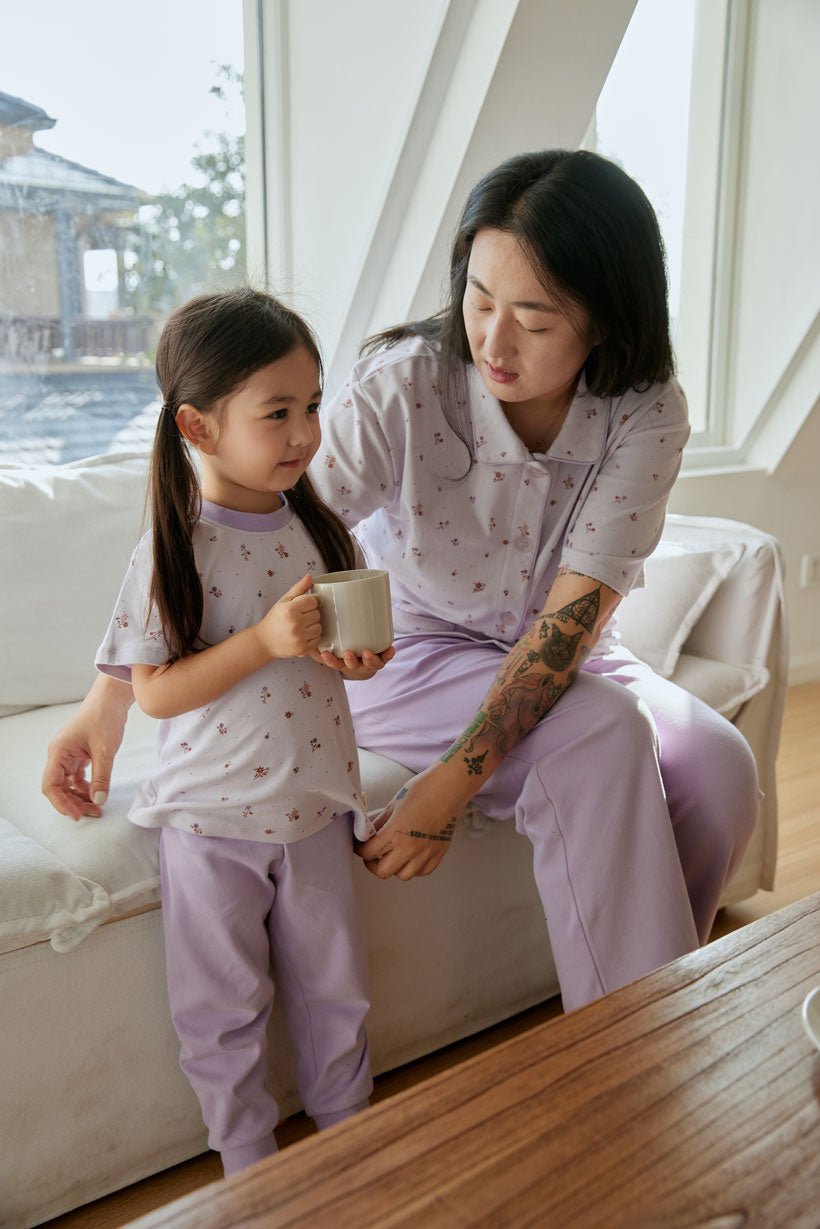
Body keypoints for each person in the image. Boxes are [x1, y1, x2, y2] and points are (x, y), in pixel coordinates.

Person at [43, 150, 758, 1017]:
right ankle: (630, 1061)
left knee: (721, 766)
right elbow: (231, 526)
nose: (492, 340)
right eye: (480, 299)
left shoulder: (647, 409)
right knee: (603, 734)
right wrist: (108, 698)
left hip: (566, 654)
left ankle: (653, 1000)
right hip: (409, 657)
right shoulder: (408, 384)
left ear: (606, 319)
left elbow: (569, 628)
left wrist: (445, 791)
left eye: (533, 320)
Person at [88, 289, 392, 1176]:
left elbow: (336, 653)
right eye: (277, 413)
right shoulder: (175, 546)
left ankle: (354, 1139)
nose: (303, 432)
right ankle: (248, 1167)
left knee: (337, 993)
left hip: (314, 812)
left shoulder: (317, 527)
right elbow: (155, 693)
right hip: (212, 824)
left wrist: (357, 659)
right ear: (200, 424)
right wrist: (262, 641)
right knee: (220, 1009)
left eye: (311, 405)